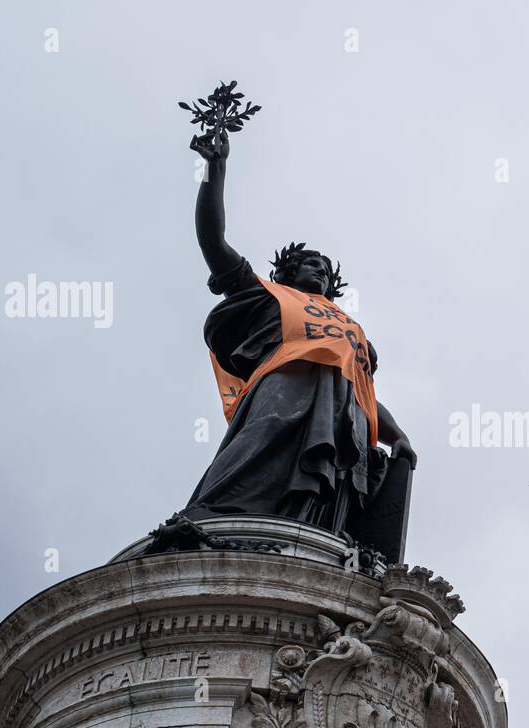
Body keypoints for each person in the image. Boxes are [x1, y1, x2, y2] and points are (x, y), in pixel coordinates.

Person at [174, 128, 417, 540]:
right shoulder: (270, 296)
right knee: (254, 458)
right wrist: (216, 169)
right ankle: (211, 523)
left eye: (324, 267)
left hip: (345, 417)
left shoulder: (351, 329)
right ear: (289, 272)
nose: (319, 270)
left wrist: (398, 436)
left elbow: (365, 394)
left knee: (327, 500)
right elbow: (213, 243)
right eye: (309, 264)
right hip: (284, 393)